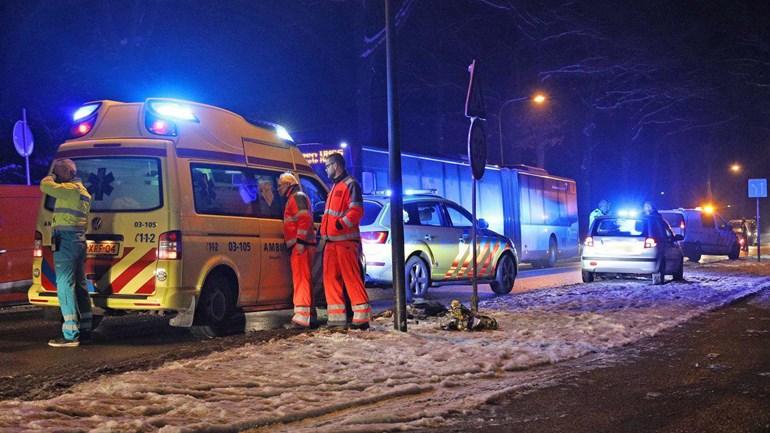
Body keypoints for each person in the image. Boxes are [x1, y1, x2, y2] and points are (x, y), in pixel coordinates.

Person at [40, 159, 92, 347]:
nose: (56, 174)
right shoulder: (82, 191)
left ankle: (70, 334)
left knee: (64, 285)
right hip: (77, 239)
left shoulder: (71, 190)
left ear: (68, 172)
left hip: (67, 240)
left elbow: (45, 186)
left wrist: (51, 176)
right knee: (80, 284)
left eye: (59, 171)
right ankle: (86, 326)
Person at [320, 153, 371, 330]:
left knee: (351, 278)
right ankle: (336, 318)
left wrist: (341, 225)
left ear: (336, 165)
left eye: (327, 165)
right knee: (330, 279)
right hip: (331, 242)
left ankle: (362, 317)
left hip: (345, 242)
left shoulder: (350, 184)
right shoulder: (335, 186)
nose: (326, 169)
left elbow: (356, 211)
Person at [278, 172, 317, 329]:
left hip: (302, 246)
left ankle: (302, 318)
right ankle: (310, 315)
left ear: (288, 184)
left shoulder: (297, 197)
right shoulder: (296, 197)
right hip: (302, 245)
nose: (278, 189)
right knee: (304, 281)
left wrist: (300, 241)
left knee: (301, 281)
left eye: (280, 185)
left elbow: (305, 219)